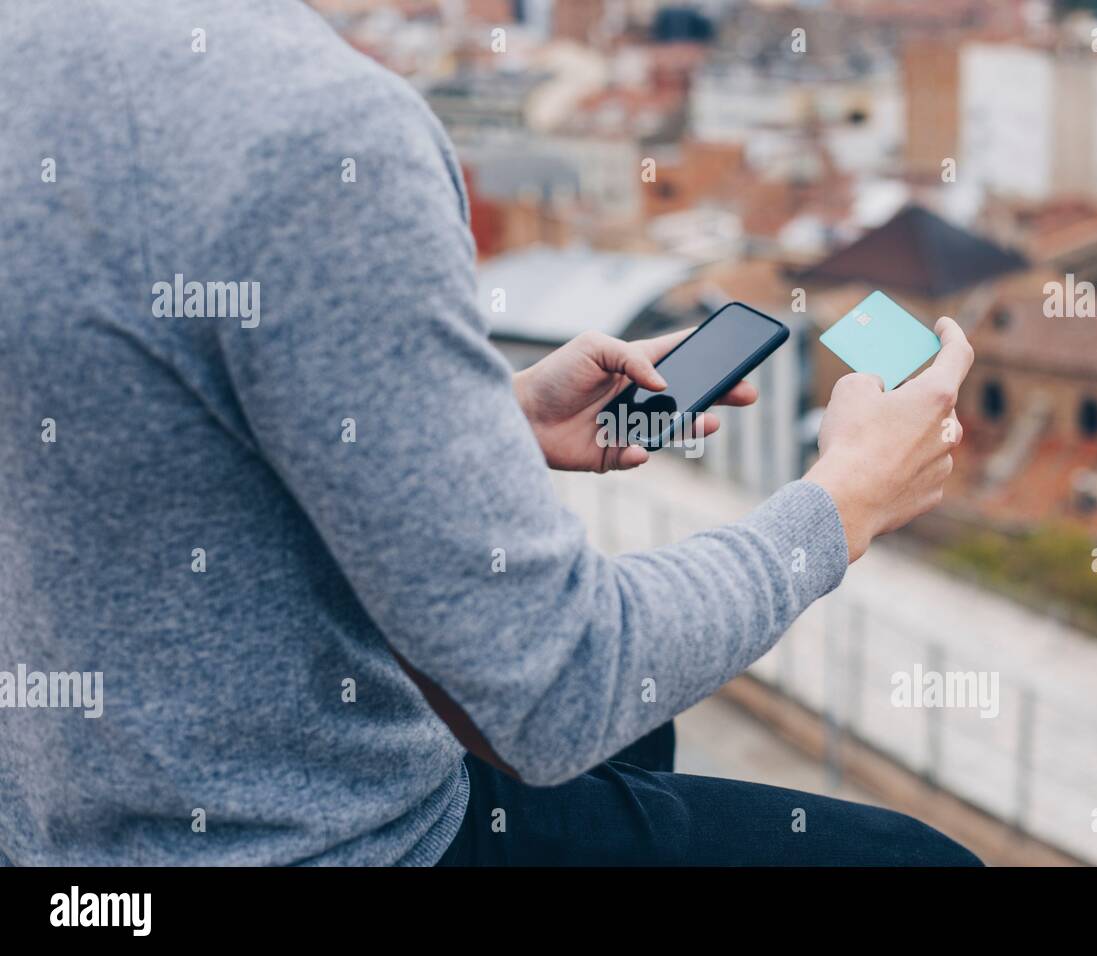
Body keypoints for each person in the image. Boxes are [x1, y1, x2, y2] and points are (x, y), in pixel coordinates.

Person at [0, 0, 978, 866]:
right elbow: (551, 693)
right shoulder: (313, 134)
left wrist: (475, 421)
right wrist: (842, 500)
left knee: (645, 742)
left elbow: (127, 419)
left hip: (56, 819)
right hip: (324, 840)